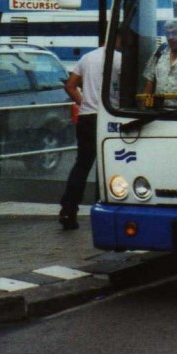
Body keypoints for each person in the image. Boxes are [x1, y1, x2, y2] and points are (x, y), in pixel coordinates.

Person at [58, 39, 121, 231]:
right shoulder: (121, 60)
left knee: (82, 164)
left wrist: (84, 101)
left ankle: (68, 210)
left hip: (87, 117)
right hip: (110, 117)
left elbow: (70, 85)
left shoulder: (87, 58)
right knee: (112, 165)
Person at [143, 18, 177, 107]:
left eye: (174, 33)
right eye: (167, 34)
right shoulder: (159, 53)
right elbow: (149, 82)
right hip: (158, 114)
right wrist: (144, 109)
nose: (170, 37)